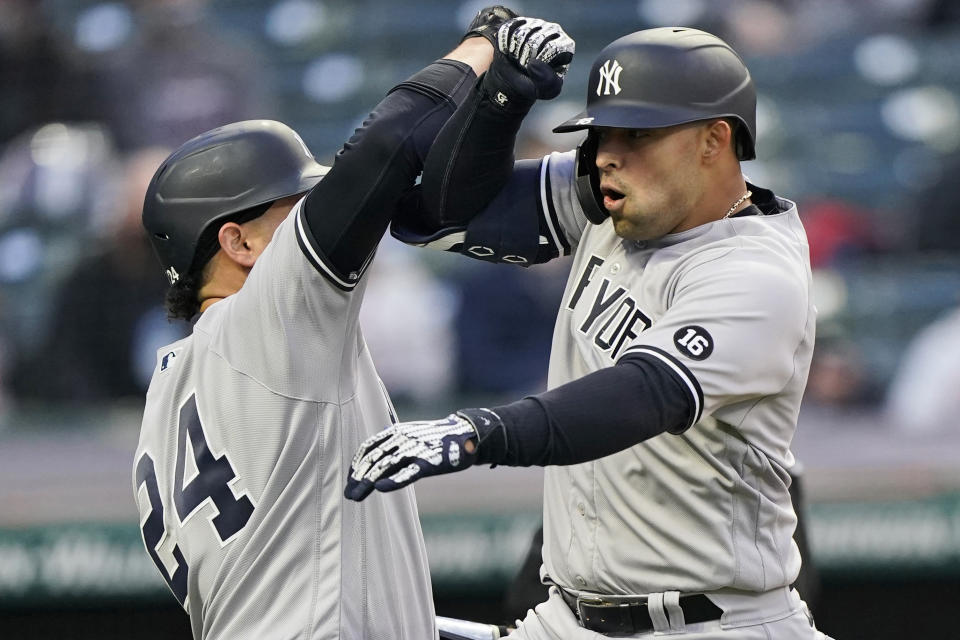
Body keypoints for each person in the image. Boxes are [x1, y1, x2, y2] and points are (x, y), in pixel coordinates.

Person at [347, 23, 832, 640]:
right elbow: (433, 218)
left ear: (716, 140)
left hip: (712, 623)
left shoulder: (756, 272)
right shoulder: (616, 202)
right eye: (603, 132)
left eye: (639, 134)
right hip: (566, 616)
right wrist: (501, 102)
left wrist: (477, 433)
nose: (608, 153)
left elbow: (642, 394)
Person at [132, 7, 572, 638]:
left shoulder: (170, 393)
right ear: (239, 243)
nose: (320, 211)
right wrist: (481, 51)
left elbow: (309, 584)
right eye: (296, 204)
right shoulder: (263, 326)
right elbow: (383, 150)